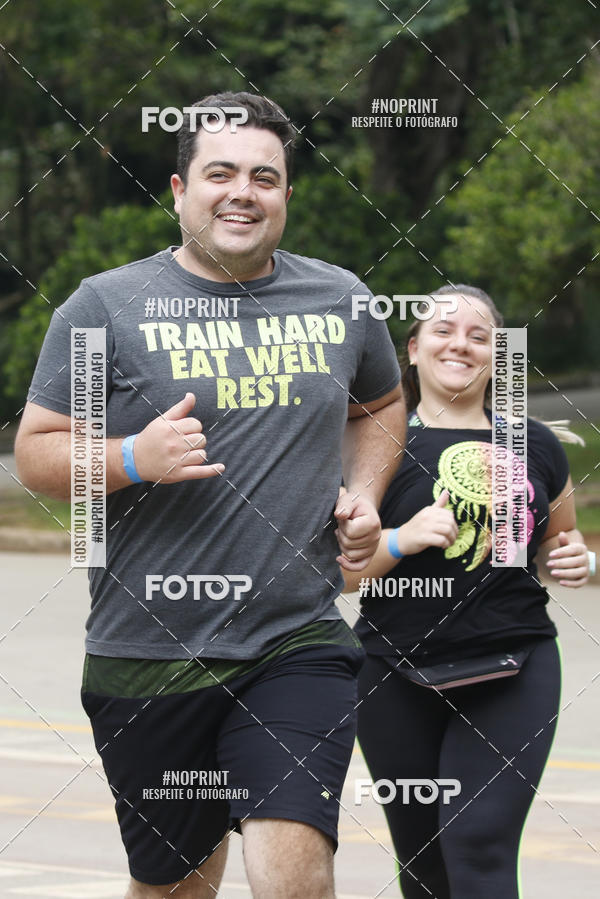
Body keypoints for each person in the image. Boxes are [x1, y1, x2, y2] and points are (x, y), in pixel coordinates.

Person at [15, 91, 405, 898]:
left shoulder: (338, 299)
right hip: (147, 653)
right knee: (176, 886)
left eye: (265, 177)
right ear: (178, 190)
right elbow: (36, 451)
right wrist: (130, 454)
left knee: (292, 870)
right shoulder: (105, 307)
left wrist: (363, 493)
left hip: (295, 641)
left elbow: (381, 405)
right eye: (220, 172)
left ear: (286, 196)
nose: (243, 191)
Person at [341, 285, 592, 899]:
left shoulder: (535, 443)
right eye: (443, 331)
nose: (461, 344)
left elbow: (563, 537)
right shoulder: (372, 444)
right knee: (423, 865)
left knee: (479, 844)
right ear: (414, 346)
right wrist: (401, 540)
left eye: (479, 336)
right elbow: (333, 573)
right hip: (392, 674)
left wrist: (576, 557)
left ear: (496, 353)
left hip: (513, 664)